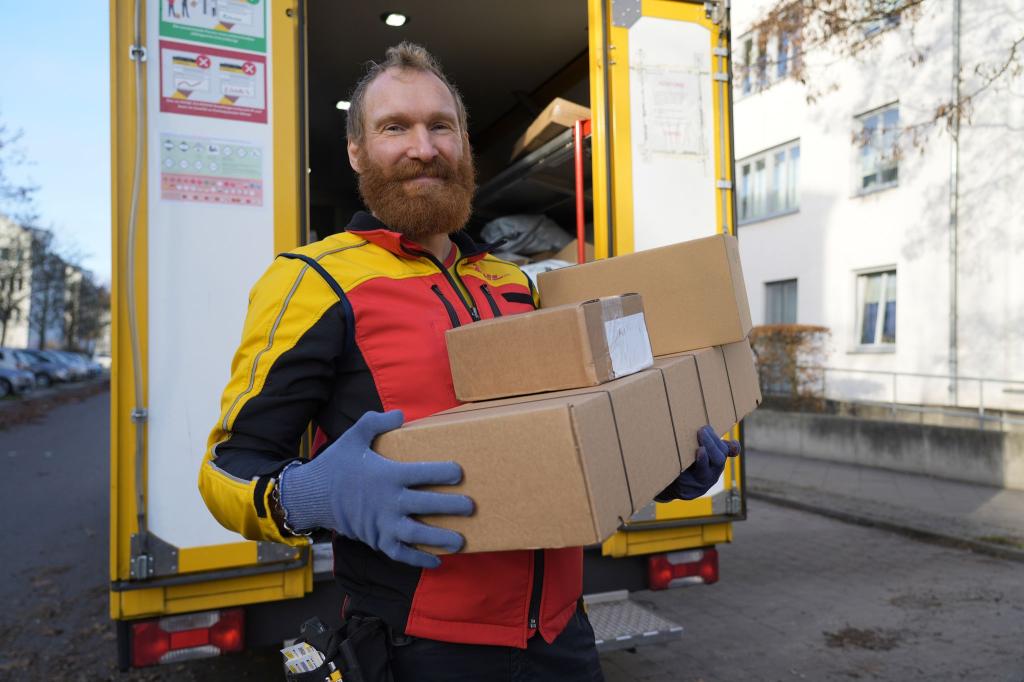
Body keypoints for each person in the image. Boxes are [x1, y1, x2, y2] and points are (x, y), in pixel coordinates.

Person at [198, 42, 739, 682]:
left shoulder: (516, 284)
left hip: (563, 636)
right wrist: (307, 495)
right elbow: (227, 468)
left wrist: (661, 463)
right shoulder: (313, 281)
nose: (423, 147)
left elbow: (570, 437)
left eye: (441, 126)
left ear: (463, 144)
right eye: (394, 127)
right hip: (421, 651)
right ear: (356, 151)